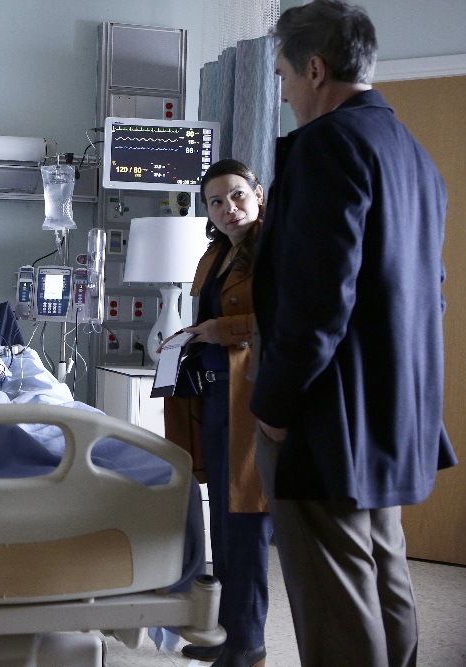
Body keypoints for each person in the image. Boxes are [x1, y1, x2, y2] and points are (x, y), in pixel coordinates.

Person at [250, 2, 458, 665]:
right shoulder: (412, 153)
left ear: (314, 70)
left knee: (335, 596)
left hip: (329, 414)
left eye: (284, 76)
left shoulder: (327, 144)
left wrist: (275, 407)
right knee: (384, 570)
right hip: (394, 409)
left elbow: (317, 300)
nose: (284, 93)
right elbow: (430, 290)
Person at [164, 159, 271, 667]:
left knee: (245, 519)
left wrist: (219, 331)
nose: (229, 208)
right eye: (216, 202)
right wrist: (188, 338)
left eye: (237, 195)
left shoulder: (274, 249)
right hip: (213, 396)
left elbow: (284, 317)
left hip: (248, 396)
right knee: (223, 521)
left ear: (258, 193)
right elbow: (210, 316)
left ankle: (248, 644)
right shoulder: (218, 254)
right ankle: (225, 633)